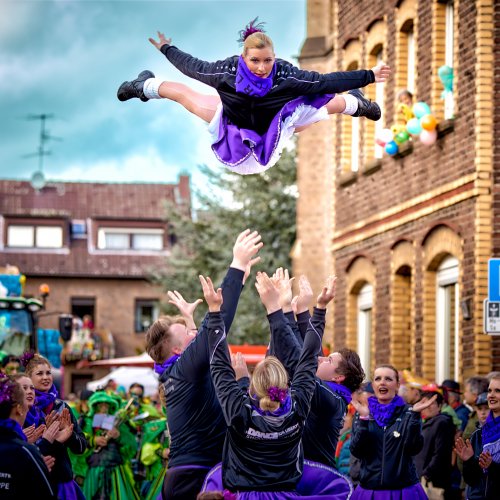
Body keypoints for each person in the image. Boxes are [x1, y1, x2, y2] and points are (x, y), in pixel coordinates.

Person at [118, 19, 390, 175]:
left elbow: (324, 81)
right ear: (243, 58)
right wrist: (167, 48)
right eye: (255, 61)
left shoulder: (285, 75)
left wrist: (369, 75)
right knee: (185, 95)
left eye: (267, 61)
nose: (261, 68)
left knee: (318, 106)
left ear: (275, 58)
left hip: (275, 122)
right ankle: (142, 86)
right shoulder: (225, 72)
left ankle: (357, 103)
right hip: (233, 128)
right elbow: (192, 67)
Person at [145, 229, 262, 499]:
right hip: (196, 476)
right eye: (186, 332)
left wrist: (188, 320)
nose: (192, 331)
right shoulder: (183, 370)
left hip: (186, 472)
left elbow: (201, 344)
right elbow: (215, 327)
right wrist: (236, 267)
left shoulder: (174, 373)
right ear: (176, 349)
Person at [200, 270, 335, 497]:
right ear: (286, 383)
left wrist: (215, 312)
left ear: (252, 388)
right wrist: (317, 310)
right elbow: (308, 358)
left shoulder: (239, 412)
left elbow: (219, 366)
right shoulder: (297, 407)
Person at [350, 364, 436, 499]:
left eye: (388, 379)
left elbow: (413, 448)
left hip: (403, 492)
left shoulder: (409, 412)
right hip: (370, 491)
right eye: (378, 379)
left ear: (397, 385)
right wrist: (364, 420)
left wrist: (414, 417)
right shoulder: (363, 413)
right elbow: (356, 451)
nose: (382, 382)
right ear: (373, 385)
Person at [21, 352, 87, 499]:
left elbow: (81, 447)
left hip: (62, 483)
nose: (46, 377)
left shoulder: (61, 406)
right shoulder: (22, 408)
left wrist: (68, 435)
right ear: (29, 378)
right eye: (39, 373)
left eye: (48, 373)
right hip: (34, 482)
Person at [0, 375, 56, 499]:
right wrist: (35, 469)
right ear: (19, 408)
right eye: (24, 390)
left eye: (32, 388)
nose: (30, 392)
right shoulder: (24, 451)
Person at [81, 390, 139, 500]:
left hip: (115, 466)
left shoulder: (116, 421)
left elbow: (131, 445)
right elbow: (77, 442)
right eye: (100, 404)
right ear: (94, 406)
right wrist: (93, 440)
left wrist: (119, 436)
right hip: (93, 467)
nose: (104, 407)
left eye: (106, 404)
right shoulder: (86, 421)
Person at [455, 374, 500, 499]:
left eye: (497, 391)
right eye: (490, 390)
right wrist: (468, 461)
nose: (491, 395)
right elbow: (472, 480)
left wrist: (492, 467)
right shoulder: (478, 434)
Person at [414, 390, 456, 499]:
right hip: (422, 477)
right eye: (425, 403)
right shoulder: (427, 423)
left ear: (440, 405)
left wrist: (426, 473)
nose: (427, 407)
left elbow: (440, 452)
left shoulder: (442, 422)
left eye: (431, 403)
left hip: (434, 480)